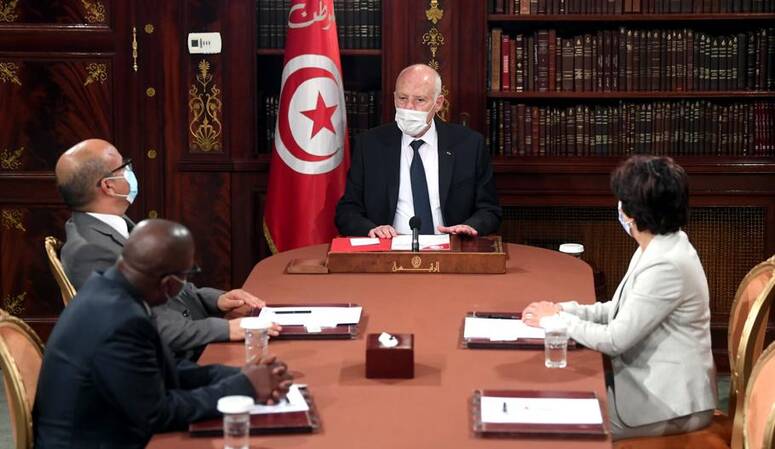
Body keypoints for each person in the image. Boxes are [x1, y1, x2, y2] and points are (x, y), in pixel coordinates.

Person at [34, 219, 293, 449]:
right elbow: (157, 414)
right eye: (186, 275)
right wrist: (244, 387)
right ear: (168, 283)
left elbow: (159, 370)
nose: (186, 283)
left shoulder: (110, 287)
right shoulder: (120, 319)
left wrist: (238, 375)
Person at [521, 155, 716, 440]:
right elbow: (619, 309)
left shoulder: (666, 264)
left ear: (633, 213)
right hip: (643, 385)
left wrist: (556, 321)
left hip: (667, 405)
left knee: (553, 428)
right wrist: (564, 310)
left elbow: (615, 339)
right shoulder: (659, 244)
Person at [55, 139, 275, 361]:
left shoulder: (113, 224)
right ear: (108, 186)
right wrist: (227, 329)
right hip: (172, 361)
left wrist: (217, 300)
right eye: (124, 166)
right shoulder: (90, 251)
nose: (130, 171)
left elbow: (165, 288)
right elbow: (149, 326)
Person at [335, 64, 501, 238]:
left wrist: (469, 227)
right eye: (402, 98)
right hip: (389, 247)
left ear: (438, 103)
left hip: (450, 246)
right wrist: (371, 230)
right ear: (394, 98)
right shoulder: (370, 145)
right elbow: (347, 211)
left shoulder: (469, 145)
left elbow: (490, 210)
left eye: (420, 100)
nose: (409, 107)